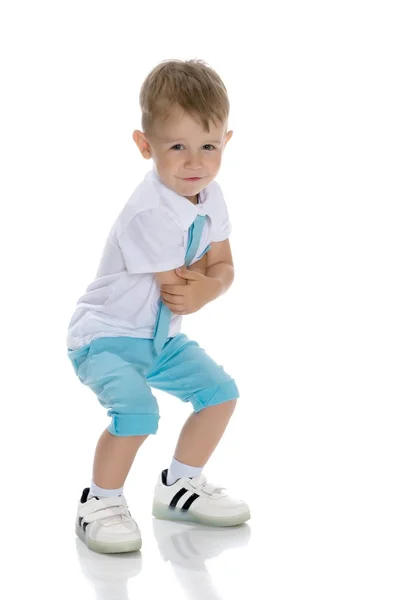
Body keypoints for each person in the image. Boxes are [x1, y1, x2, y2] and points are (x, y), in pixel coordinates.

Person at [67, 59, 250, 554]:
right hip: (105, 335)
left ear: (225, 143)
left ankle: (179, 485)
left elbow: (223, 267)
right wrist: (208, 282)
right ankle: (100, 502)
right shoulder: (148, 210)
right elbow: (179, 288)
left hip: (159, 338)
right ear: (145, 146)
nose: (195, 162)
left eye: (208, 146)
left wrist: (211, 285)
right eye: (177, 147)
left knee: (220, 394)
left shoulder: (210, 197)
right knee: (138, 412)